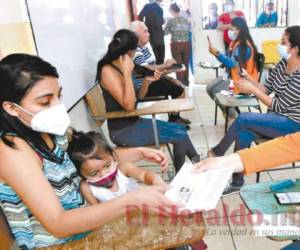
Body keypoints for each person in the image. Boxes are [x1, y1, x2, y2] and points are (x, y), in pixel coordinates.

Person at [0, 53, 178, 249]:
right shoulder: (12, 150)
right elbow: (58, 224)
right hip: (60, 244)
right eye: (44, 102)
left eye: (59, 96)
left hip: (85, 225)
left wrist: (139, 152)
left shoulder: (51, 132)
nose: (58, 107)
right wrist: (130, 201)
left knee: (169, 225)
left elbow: (89, 158)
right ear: (11, 108)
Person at [208, 26, 300, 195]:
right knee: (243, 133)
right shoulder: (282, 64)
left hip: (293, 125)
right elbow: (266, 89)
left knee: (244, 119)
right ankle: (237, 182)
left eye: (283, 42)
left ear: (295, 49)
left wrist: (252, 90)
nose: (279, 45)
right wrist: (249, 79)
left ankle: (216, 152)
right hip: (275, 118)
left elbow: (279, 106)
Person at [96, 29, 200, 173]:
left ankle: (197, 162)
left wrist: (146, 81)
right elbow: (129, 105)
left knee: (180, 129)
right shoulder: (108, 70)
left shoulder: (121, 66)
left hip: (134, 123)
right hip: (123, 131)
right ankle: (181, 176)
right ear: (130, 51)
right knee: (180, 135)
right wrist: (127, 73)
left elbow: (138, 98)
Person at [68, 130, 167, 204]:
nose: (104, 174)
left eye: (107, 165)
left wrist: (157, 183)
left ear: (113, 157)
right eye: (94, 173)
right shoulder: (87, 187)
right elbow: (98, 213)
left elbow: (145, 175)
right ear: (81, 175)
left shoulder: (123, 168)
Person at [130, 20, 191, 127]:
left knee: (177, 84)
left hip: (151, 80)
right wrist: (165, 65)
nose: (148, 34)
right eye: (145, 32)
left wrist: (169, 76)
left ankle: (175, 117)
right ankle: (174, 120)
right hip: (145, 86)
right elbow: (149, 69)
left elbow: (153, 71)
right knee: (179, 90)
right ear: (136, 36)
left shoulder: (144, 48)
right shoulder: (136, 51)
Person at [206, 17, 258, 119]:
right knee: (209, 88)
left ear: (239, 29)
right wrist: (218, 54)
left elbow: (231, 63)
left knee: (216, 90)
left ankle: (231, 113)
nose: (230, 31)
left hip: (243, 81)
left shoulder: (244, 45)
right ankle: (228, 110)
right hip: (233, 77)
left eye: (232, 28)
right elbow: (228, 58)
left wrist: (216, 53)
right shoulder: (236, 43)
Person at [165, 3, 191, 86]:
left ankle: (180, 83)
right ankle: (186, 81)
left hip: (176, 45)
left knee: (178, 64)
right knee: (186, 63)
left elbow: (166, 32)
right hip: (187, 44)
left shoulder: (171, 21)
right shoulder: (186, 20)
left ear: (172, 10)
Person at [139, 0, 165, 64]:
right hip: (159, 34)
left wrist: (144, 26)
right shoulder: (160, 9)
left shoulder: (147, 6)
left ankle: (157, 70)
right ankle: (160, 69)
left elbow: (140, 16)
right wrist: (163, 21)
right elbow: (158, 23)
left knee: (154, 52)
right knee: (161, 55)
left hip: (150, 33)